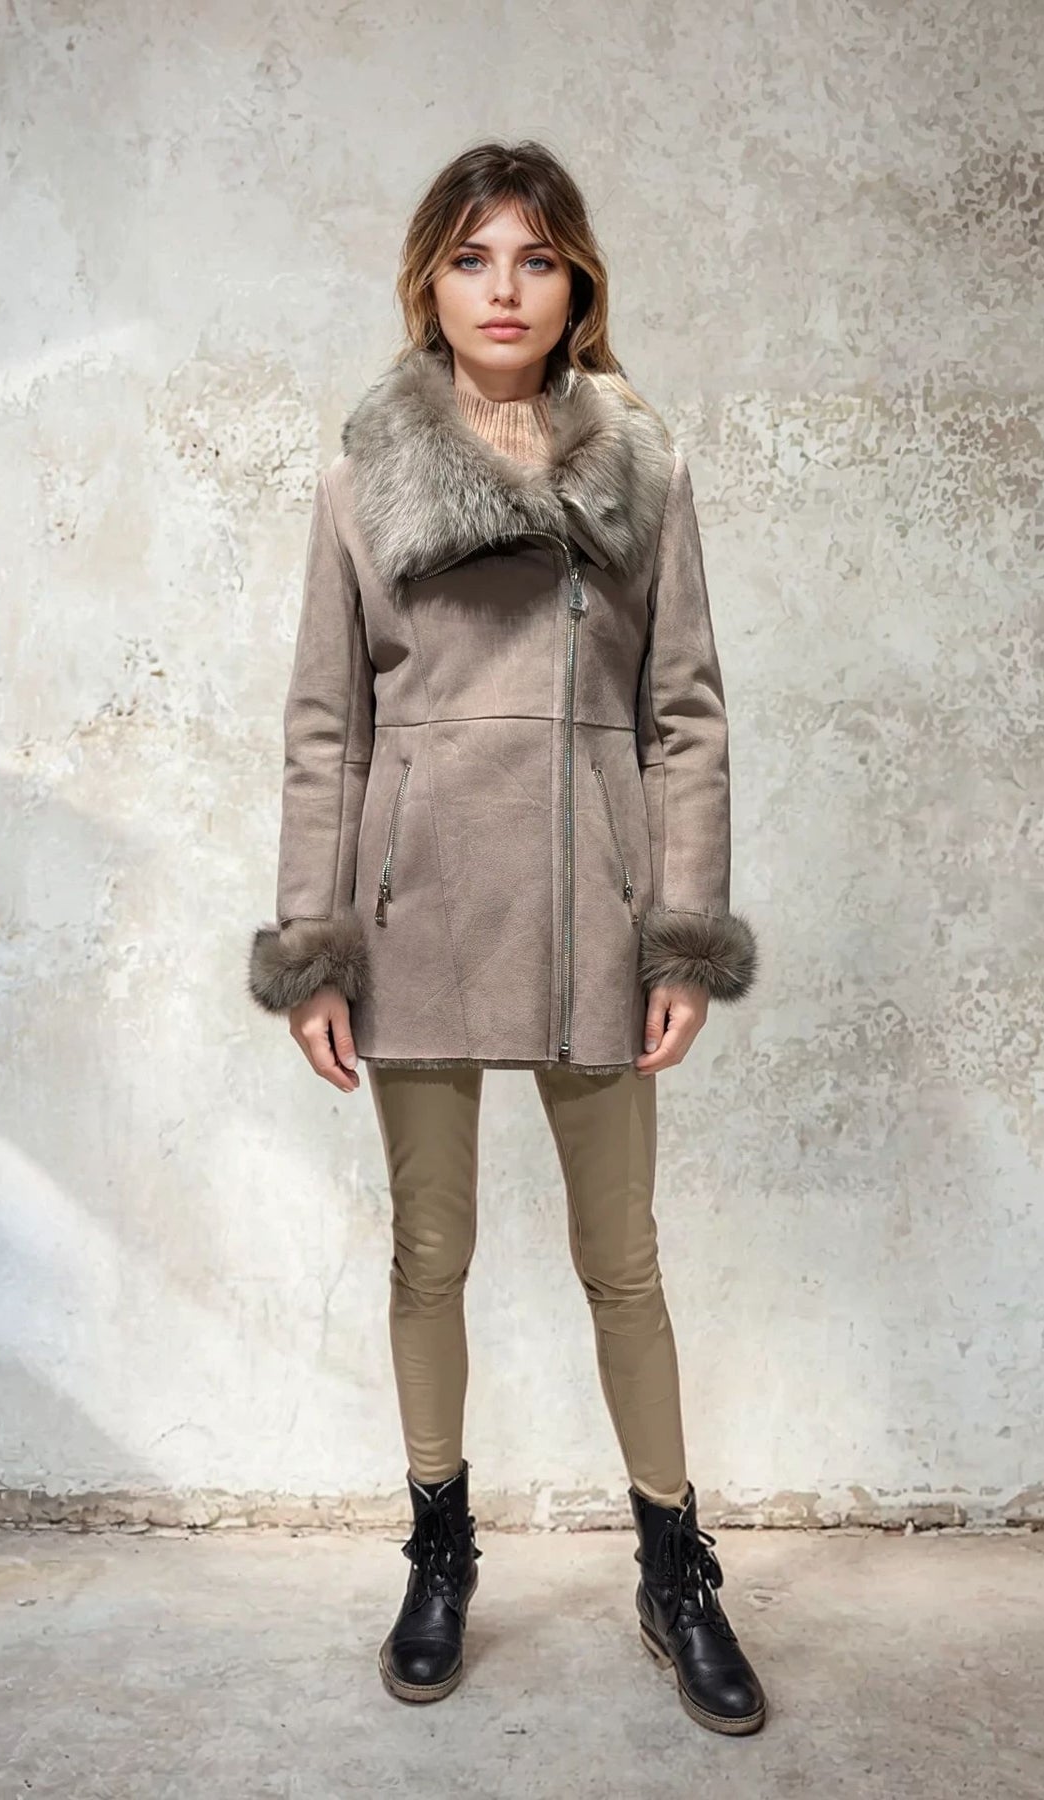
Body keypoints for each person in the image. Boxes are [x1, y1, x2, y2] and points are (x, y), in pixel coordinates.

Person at [248, 139, 766, 1736]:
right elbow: (325, 730)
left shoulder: (642, 474)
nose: (504, 289)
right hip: (415, 916)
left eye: (535, 259)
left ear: (575, 282)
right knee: (431, 1251)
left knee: (624, 1260)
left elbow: (687, 719)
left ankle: (674, 1569)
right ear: (431, 279)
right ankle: (439, 1549)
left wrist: (680, 937)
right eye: (474, 257)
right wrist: (315, 942)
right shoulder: (361, 482)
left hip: (593, 923)